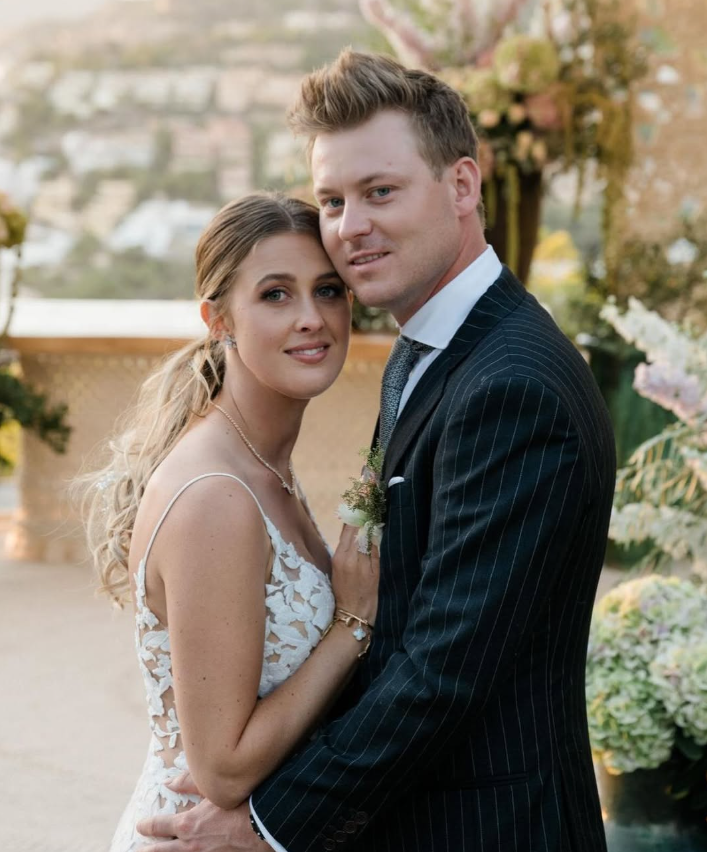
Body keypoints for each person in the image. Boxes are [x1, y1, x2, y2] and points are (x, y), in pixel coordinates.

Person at [137, 51, 616, 852]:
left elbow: (442, 670)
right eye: (332, 199)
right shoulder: (419, 354)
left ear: (462, 187)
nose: (349, 227)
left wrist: (269, 823)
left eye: (379, 192)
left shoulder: (511, 386)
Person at [81, 192, 380, 852]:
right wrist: (352, 622)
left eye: (327, 290)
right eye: (275, 295)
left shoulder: (265, 464)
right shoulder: (218, 494)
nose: (311, 318)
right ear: (219, 320)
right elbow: (221, 766)